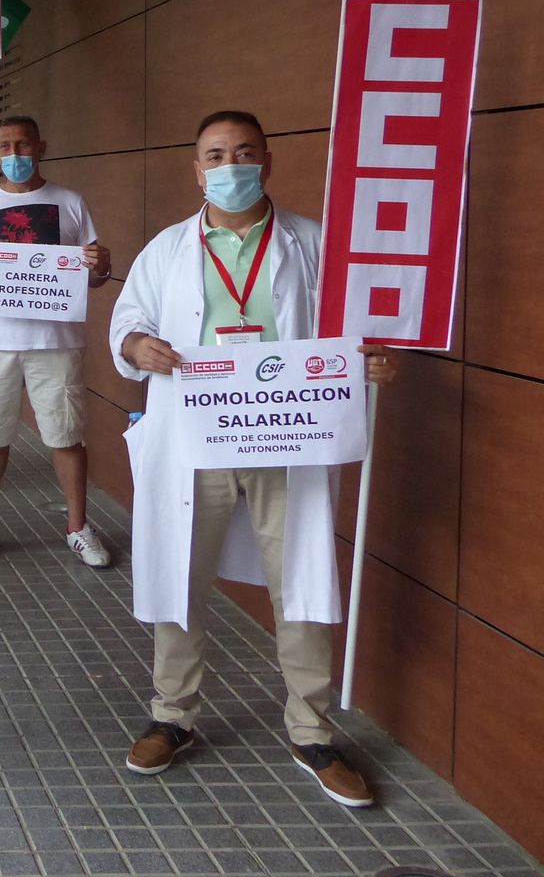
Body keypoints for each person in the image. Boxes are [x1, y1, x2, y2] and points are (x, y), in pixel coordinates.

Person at [109, 110, 398, 808]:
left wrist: (372, 361)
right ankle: (173, 716)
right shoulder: (168, 250)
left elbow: (353, 330)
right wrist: (136, 348)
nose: (229, 164)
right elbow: (127, 322)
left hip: (287, 435)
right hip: (195, 438)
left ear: (267, 160)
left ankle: (312, 730)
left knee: (300, 577)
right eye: (215, 154)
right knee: (180, 573)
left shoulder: (313, 243)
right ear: (196, 167)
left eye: (242, 152)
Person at [0, 117, 113, 566]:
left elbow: (94, 278)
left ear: (41, 146)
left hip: (56, 340)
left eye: (22, 144)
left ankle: (78, 527)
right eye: (5, 145)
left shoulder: (70, 202)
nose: (14, 153)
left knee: (66, 436)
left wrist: (101, 265)